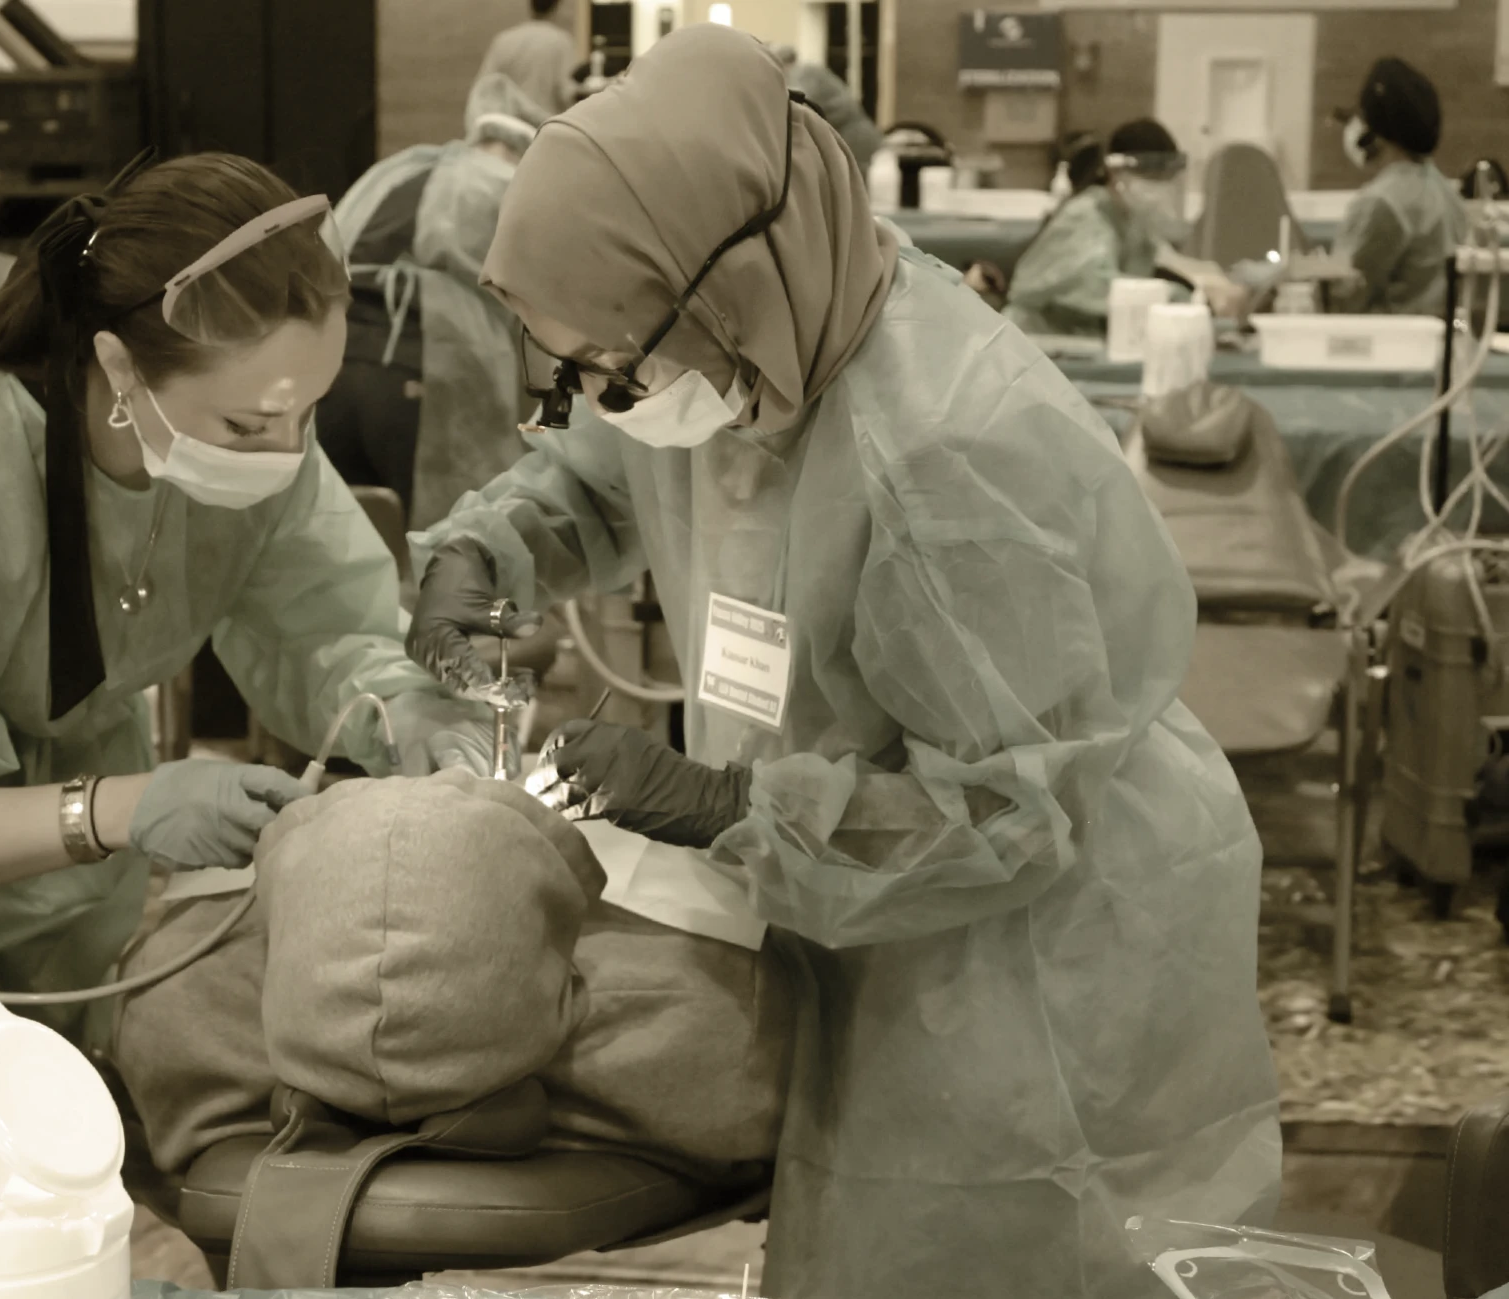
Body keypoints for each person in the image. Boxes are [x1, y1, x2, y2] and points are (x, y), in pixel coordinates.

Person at [405, 26, 1281, 1299]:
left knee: (990, 1243)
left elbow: (1001, 810)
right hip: (859, 891)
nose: (596, 395)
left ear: (721, 294)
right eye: (569, 371)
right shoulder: (752, 344)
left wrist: (722, 806)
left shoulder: (941, 456)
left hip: (1031, 960)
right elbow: (612, 462)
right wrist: (488, 549)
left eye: (605, 367)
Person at [0, 153, 494, 1235]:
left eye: (305, 413)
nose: (281, 454)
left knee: (56, 1100)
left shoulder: (255, 428)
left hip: (56, 733)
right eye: (244, 427)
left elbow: (324, 627)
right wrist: (123, 809)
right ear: (116, 367)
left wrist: (400, 706)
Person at [318, 72, 548, 527]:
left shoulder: (398, 169)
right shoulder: (510, 188)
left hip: (328, 371)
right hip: (427, 380)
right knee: (446, 546)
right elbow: (546, 326)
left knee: (344, 540)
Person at [1004, 118, 1190, 336]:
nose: (1157, 186)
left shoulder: (1133, 219)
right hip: (1035, 335)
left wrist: (1205, 283)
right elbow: (1096, 285)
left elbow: (1161, 258)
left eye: (1164, 176)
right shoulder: (1085, 215)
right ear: (1114, 172)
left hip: (1081, 335)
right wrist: (1169, 294)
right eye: (1148, 175)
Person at [1330, 57, 1468, 315]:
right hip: (1437, 345)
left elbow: (1345, 298)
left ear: (1373, 132)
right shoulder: (1446, 194)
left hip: (1391, 347)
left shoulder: (1382, 203)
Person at [765, 42, 882, 169]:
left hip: (854, 137)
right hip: (848, 136)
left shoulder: (804, 72)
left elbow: (799, 104)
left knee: (854, 182)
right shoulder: (807, 72)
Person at [478, 0, 576, 118]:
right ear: (557, 7)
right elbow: (568, 93)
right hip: (543, 126)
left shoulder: (503, 40)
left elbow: (485, 89)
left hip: (507, 127)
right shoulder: (561, 42)